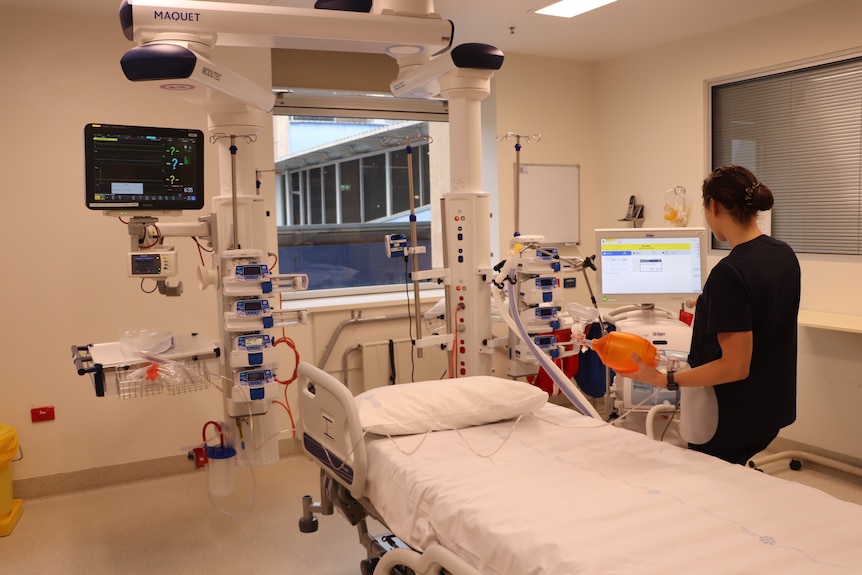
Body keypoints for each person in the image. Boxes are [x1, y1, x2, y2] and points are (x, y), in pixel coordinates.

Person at [628, 165, 800, 464]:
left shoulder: (730, 272)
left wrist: (662, 378)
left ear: (713, 206)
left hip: (729, 418)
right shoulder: (782, 254)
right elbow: (764, 315)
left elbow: (735, 367)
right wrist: (710, 303)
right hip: (771, 409)